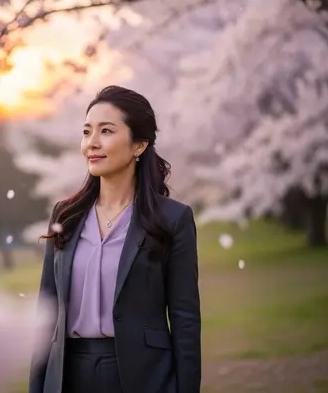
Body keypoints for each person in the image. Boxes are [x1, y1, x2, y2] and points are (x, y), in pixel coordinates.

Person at [29, 85, 201, 393]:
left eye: (106, 131)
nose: (91, 143)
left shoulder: (173, 220)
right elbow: (46, 315)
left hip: (144, 376)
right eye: (86, 132)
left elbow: (185, 319)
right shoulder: (64, 216)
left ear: (139, 145)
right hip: (69, 375)